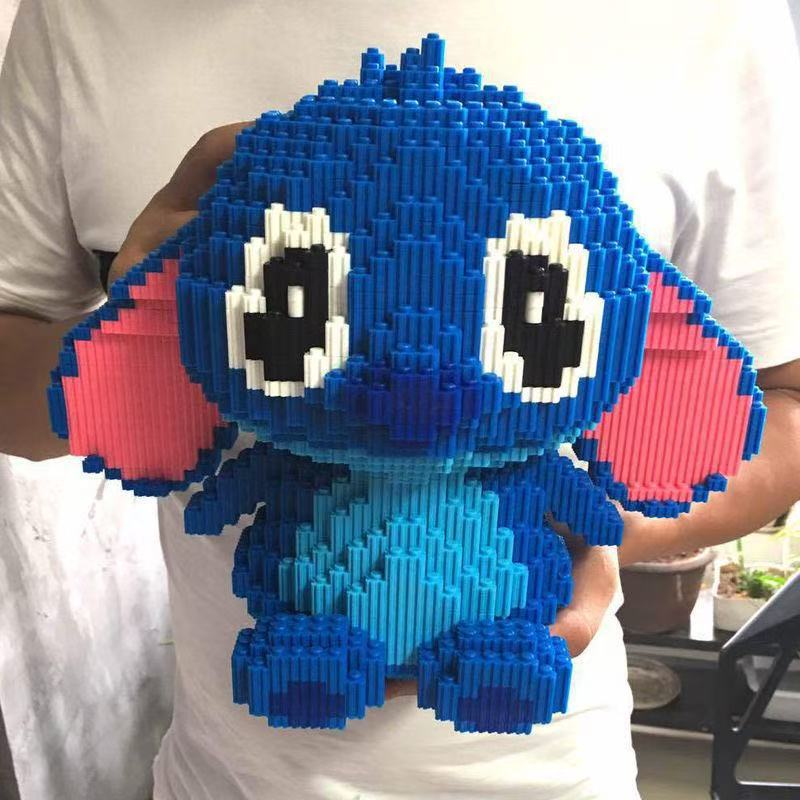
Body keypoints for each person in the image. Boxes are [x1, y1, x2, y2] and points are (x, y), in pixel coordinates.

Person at [2, 1, 799, 798]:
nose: (414, 388)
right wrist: (152, 325)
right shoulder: (76, 18)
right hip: (222, 773)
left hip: (554, 774)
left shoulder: (717, 20)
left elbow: (787, 403)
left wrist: (605, 528)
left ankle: (487, 659)